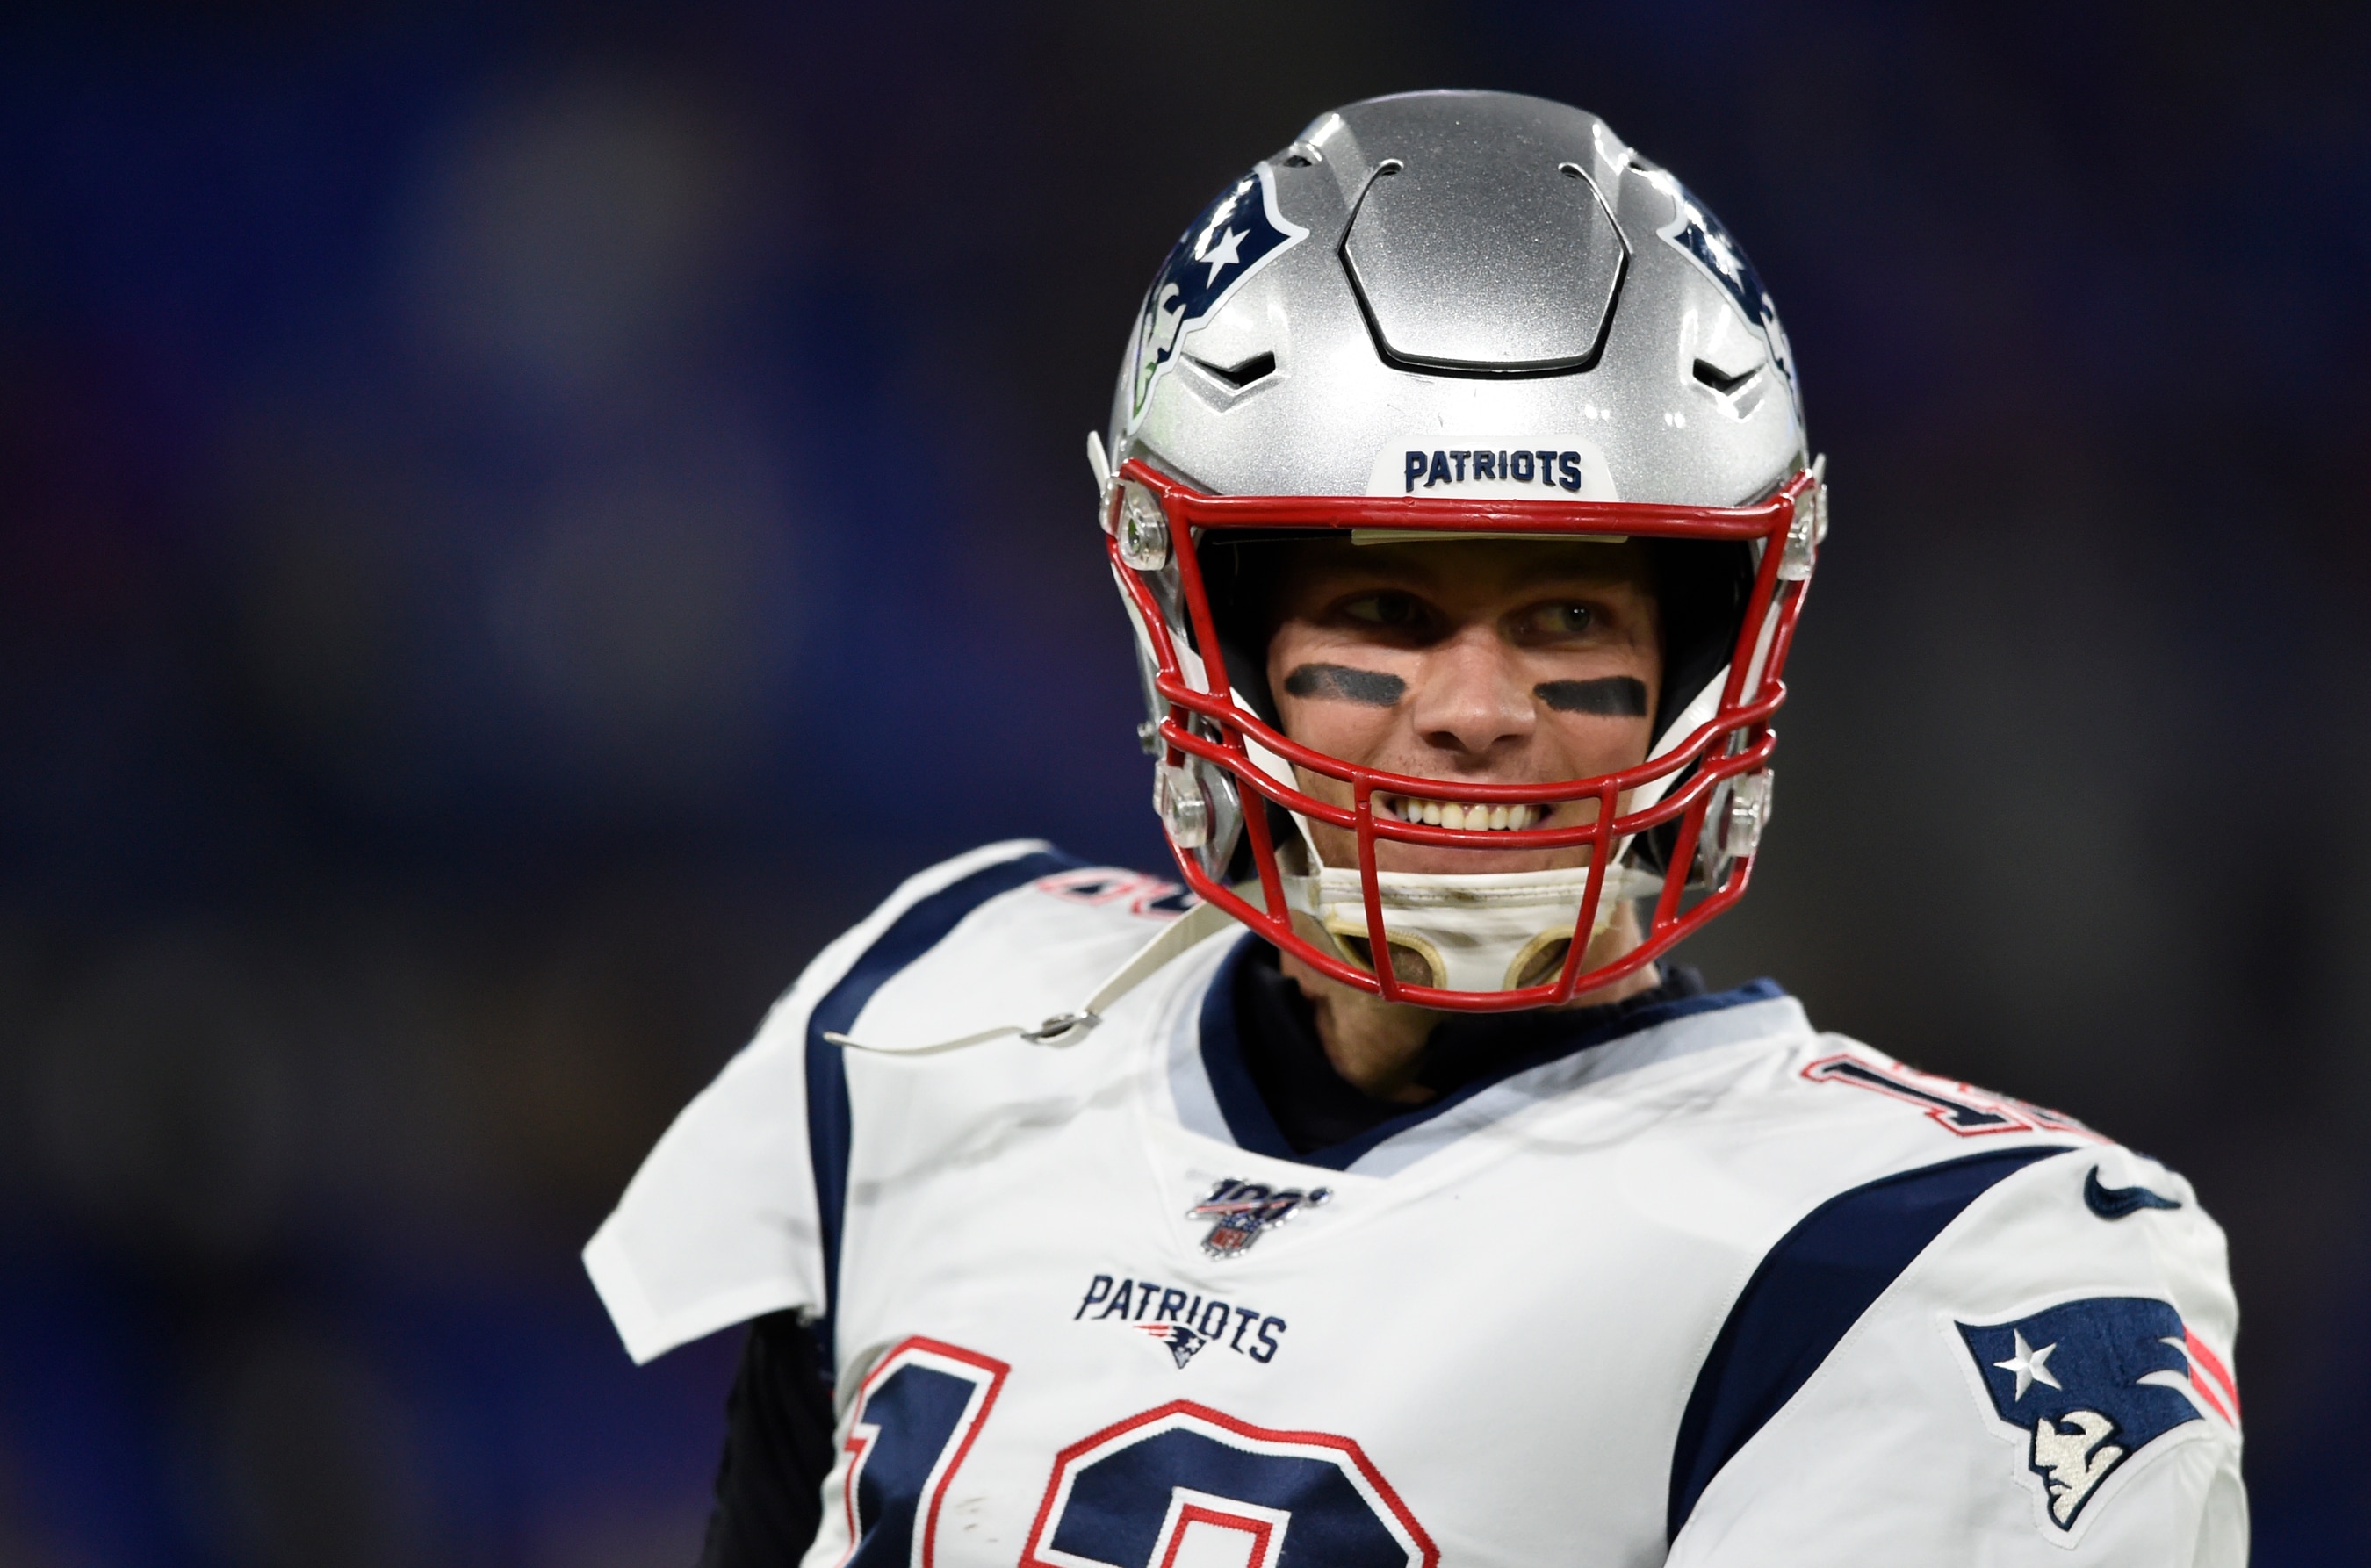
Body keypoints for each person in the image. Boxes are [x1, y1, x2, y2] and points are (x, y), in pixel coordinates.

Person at [584, 90, 2245, 1565]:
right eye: (1383, 603)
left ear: (1703, 655)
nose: (1475, 705)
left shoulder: (1937, 1264)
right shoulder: (937, 1013)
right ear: (1210, 631)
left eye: (1568, 619)